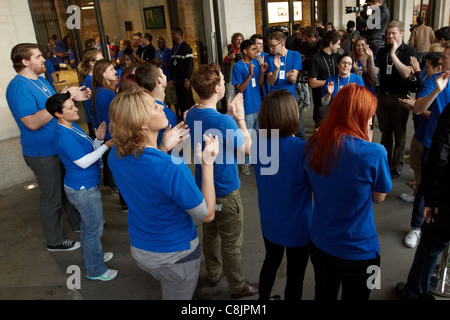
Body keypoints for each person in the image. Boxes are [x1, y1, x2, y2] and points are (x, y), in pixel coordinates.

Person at [107, 87, 217, 300]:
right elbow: (207, 214)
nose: (162, 106)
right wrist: (207, 163)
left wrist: (162, 148)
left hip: (141, 248)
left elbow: (146, 175)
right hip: (175, 255)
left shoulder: (115, 154)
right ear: (142, 123)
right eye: (154, 106)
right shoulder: (172, 167)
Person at [303, 83, 392, 300]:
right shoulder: (374, 152)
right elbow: (379, 197)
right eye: (370, 115)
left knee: (323, 293)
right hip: (363, 252)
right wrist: (367, 140)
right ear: (362, 116)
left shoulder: (314, 143)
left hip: (320, 244)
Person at [6, 43, 91, 251]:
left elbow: (55, 108)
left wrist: (70, 98)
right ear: (25, 62)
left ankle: (79, 225)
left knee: (67, 190)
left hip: (57, 146)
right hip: (42, 153)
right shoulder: (19, 87)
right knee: (52, 196)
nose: (44, 59)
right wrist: (63, 98)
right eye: (38, 56)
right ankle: (55, 240)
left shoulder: (42, 80)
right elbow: (32, 122)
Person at [185, 63, 258, 299]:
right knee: (231, 242)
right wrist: (239, 119)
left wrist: (228, 117)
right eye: (223, 81)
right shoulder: (224, 121)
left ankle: (214, 273)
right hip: (225, 190)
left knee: (210, 234)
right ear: (218, 89)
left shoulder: (192, 112)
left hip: (204, 189)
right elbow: (248, 150)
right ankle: (237, 286)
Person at [45, 93, 117, 281]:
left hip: (86, 185)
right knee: (94, 229)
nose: (76, 108)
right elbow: (83, 162)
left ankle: (93, 257)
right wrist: (106, 146)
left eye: (73, 105)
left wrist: (99, 140)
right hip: (82, 188)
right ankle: (95, 270)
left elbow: (87, 151)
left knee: (89, 227)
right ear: (58, 114)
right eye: (70, 107)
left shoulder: (72, 126)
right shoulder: (63, 135)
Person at [253, 90, 313, 301]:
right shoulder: (304, 150)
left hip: (270, 223)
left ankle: (263, 299)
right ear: (292, 114)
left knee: (271, 261)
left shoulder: (257, 145)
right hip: (300, 227)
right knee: (295, 276)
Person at [396, 101, 450, 300]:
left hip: (445, 202)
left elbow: (440, 155)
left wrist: (431, 198)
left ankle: (413, 293)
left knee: (430, 247)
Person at [403, 42, 450, 249]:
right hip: (433, 145)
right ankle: (416, 227)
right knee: (425, 188)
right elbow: (419, 108)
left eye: (445, 57)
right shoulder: (435, 79)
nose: (440, 61)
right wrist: (436, 92)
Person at [368, 20, 418, 179]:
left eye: (393, 33)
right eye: (388, 33)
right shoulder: (382, 51)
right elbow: (374, 72)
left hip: (400, 96)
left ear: (402, 33)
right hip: (383, 96)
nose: (390, 36)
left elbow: (405, 73)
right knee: (385, 132)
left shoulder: (408, 50)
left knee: (400, 132)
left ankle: (397, 165)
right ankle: (386, 161)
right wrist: (370, 58)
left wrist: (393, 55)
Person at [91, 59, 128, 211]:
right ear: (102, 73)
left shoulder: (99, 90)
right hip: (113, 135)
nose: (115, 72)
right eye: (112, 69)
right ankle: (125, 203)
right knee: (123, 172)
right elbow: (121, 111)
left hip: (107, 134)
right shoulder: (105, 93)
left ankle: (113, 187)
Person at [232, 39, 268, 176]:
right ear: (245, 51)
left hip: (257, 105)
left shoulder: (255, 64)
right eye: (253, 49)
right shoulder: (238, 67)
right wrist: (249, 75)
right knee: (245, 137)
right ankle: (245, 163)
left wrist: (262, 72)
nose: (256, 51)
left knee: (257, 135)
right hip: (246, 107)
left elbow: (259, 84)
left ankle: (255, 159)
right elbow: (239, 89)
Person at [266, 31, 305, 140]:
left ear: (282, 44)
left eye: (273, 46)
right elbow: (270, 82)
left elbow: (293, 80)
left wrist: (289, 76)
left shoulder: (295, 55)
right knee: (275, 132)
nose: (270, 49)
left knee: (299, 131)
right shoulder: (269, 58)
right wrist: (276, 69)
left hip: (290, 99)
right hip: (275, 100)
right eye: (269, 46)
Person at [135, 62, 178, 147]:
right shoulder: (166, 113)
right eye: (162, 74)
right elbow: (177, 149)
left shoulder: (138, 108)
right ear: (159, 80)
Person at [308, 30, 341, 128]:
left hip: (336, 101)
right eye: (338, 44)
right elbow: (312, 83)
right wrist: (330, 82)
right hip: (320, 102)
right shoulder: (315, 59)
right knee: (321, 131)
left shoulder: (337, 57)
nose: (339, 47)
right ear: (331, 44)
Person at [170, 27, 195, 120]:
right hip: (177, 79)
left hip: (185, 78)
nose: (172, 36)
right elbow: (172, 64)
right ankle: (183, 117)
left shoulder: (186, 47)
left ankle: (192, 116)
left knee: (188, 98)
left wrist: (187, 79)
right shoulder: (174, 48)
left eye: (174, 34)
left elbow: (189, 65)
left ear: (179, 34)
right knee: (180, 99)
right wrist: (172, 78)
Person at [77, 49, 103, 138]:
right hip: (95, 123)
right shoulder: (89, 81)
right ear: (92, 63)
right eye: (100, 61)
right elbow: (92, 106)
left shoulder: (92, 79)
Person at [223, 33, 244, 101]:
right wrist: (229, 57)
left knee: (240, 95)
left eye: (241, 40)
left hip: (241, 76)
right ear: (233, 40)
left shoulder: (244, 48)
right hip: (230, 76)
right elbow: (223, 59)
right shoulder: (228, 47)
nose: (240, 41)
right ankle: (230, 110)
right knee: (229, 96)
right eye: (237, 40)